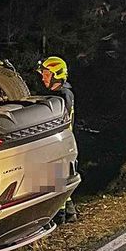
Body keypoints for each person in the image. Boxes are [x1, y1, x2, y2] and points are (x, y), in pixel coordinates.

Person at [37, 56, 77, 224]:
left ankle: (58, 218)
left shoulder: (62, 96)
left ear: (56, 75)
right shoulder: (62, 93)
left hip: (59, 144)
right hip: (62, 143)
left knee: (56, 184)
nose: (43, 77)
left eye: (46, 74)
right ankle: (69, 213)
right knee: (62, 182)